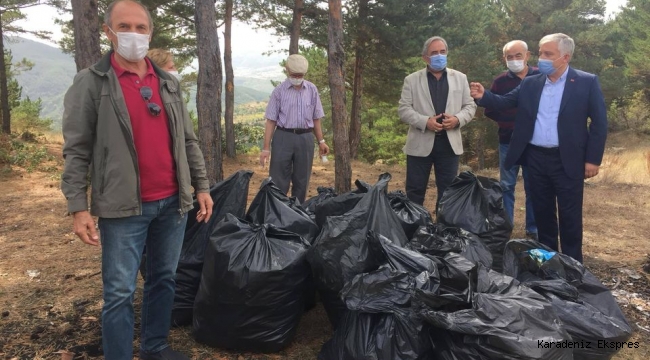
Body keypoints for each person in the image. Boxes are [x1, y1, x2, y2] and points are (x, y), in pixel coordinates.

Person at [60, 1, 213, 359]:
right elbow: (77, 149)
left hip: (173, 202)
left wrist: (201, 186)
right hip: (123, 207)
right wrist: (77, 207)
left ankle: (155, 348)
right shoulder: (91, 83)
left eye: (140, 27)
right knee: (119, 292)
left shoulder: (166, 82)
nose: (133, 34)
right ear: (107, 31)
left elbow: (188, 139)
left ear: (150, 32)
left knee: (164, 280)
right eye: (124, 26)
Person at [470, 33, 607, 263]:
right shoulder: (531, 82)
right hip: (535, 158)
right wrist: (485, 96)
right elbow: (505, 102)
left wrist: (593, 160)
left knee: (570, 216)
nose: (541, 58)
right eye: (541, 52)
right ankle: (547, 263)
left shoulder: (586, 82)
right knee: (543, 215)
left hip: (568, 159)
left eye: (547, 54)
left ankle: (573, 265)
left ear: (564, 57)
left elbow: (600, 123)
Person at [398, 36, 476, 211]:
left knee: (448, 193)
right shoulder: (412, 80)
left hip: (449, 144)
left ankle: (444, 231)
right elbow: (403, 109)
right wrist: (425, 122)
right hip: (420, 143)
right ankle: (414, 229)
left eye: (442, 52)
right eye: (434, 53)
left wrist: (457, 120)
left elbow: (470, 106)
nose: (439, 56)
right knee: (415, 191)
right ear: (425, 57)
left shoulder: (460, 78)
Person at [484, 40, 540, 239]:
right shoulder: (500, 81)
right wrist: (507, 121)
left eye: (518, 55)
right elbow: (491, 107)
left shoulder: (541, 76)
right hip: (508, 140)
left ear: (527, 55)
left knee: (534, 185)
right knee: (507, 185)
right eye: (510, 57)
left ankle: (533, 229)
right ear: (504, 58)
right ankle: (506, 226)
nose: (514, 60)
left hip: (535, 142)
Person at [259, 54, 329, 203]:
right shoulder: (279, 91)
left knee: (302, 180)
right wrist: (266, 148)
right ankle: (278, 211)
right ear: (287, 71)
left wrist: (321, 141)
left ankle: (297, 214)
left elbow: (316, 118)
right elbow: (271, 121)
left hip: (305, 138)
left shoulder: (312, 90)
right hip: (283, 137)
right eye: (294, 75)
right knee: (278, 179)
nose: (297, 77)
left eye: (300, 75)